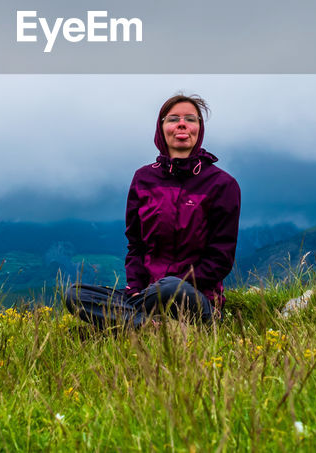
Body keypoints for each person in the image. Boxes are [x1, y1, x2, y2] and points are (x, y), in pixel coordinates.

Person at [65, 93, 241, 329]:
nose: (181, 124)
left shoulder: (222, 184)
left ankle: (122, 323)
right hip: (145, 294)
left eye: (190, 119)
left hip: (194, 296)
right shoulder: (143, 179)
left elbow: (221, 256)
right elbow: (135, 244)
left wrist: (177, 284)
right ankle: (151, 327)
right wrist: (136, 289)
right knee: (75, 295)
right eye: (173, 119)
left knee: (169, 287)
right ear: (161, 128)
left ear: (199, 129)